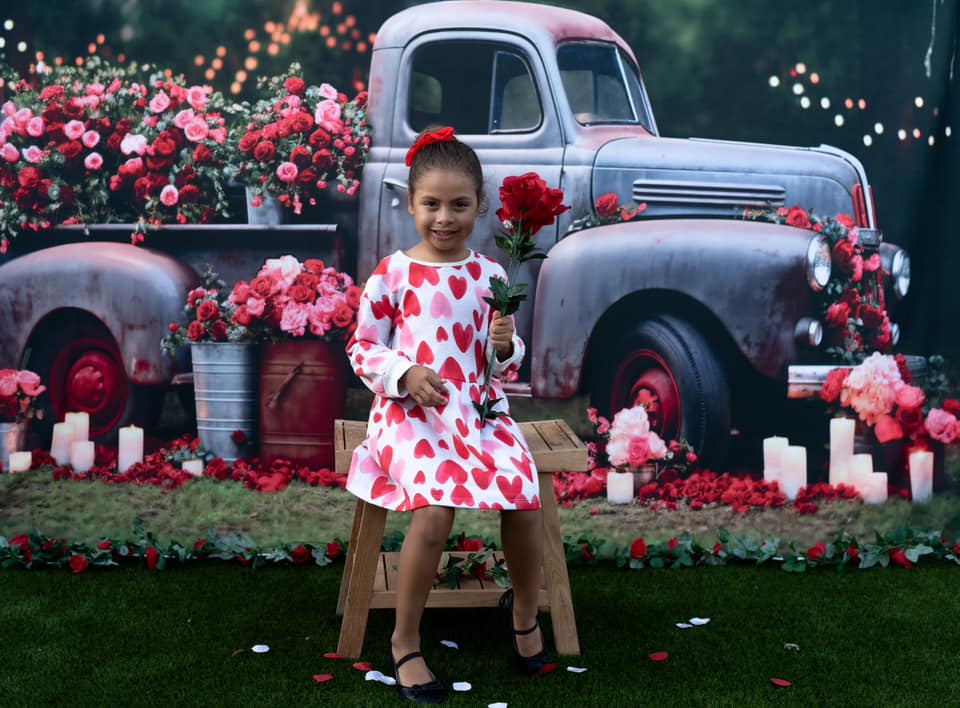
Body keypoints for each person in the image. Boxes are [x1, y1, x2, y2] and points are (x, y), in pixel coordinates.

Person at [345, 127, 554, 704]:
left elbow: (502, 367)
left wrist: (505, 345)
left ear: (480, 206)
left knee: (523, 496)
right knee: (435, 510)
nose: (444, 218)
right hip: (411, 416)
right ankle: (405, 639)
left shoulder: (491, 277)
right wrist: (405, 375)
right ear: (411, 204)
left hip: (478, 413)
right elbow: (362, 347)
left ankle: (525, 615)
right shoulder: (393, 274)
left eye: (459, 205)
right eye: (431, 204)